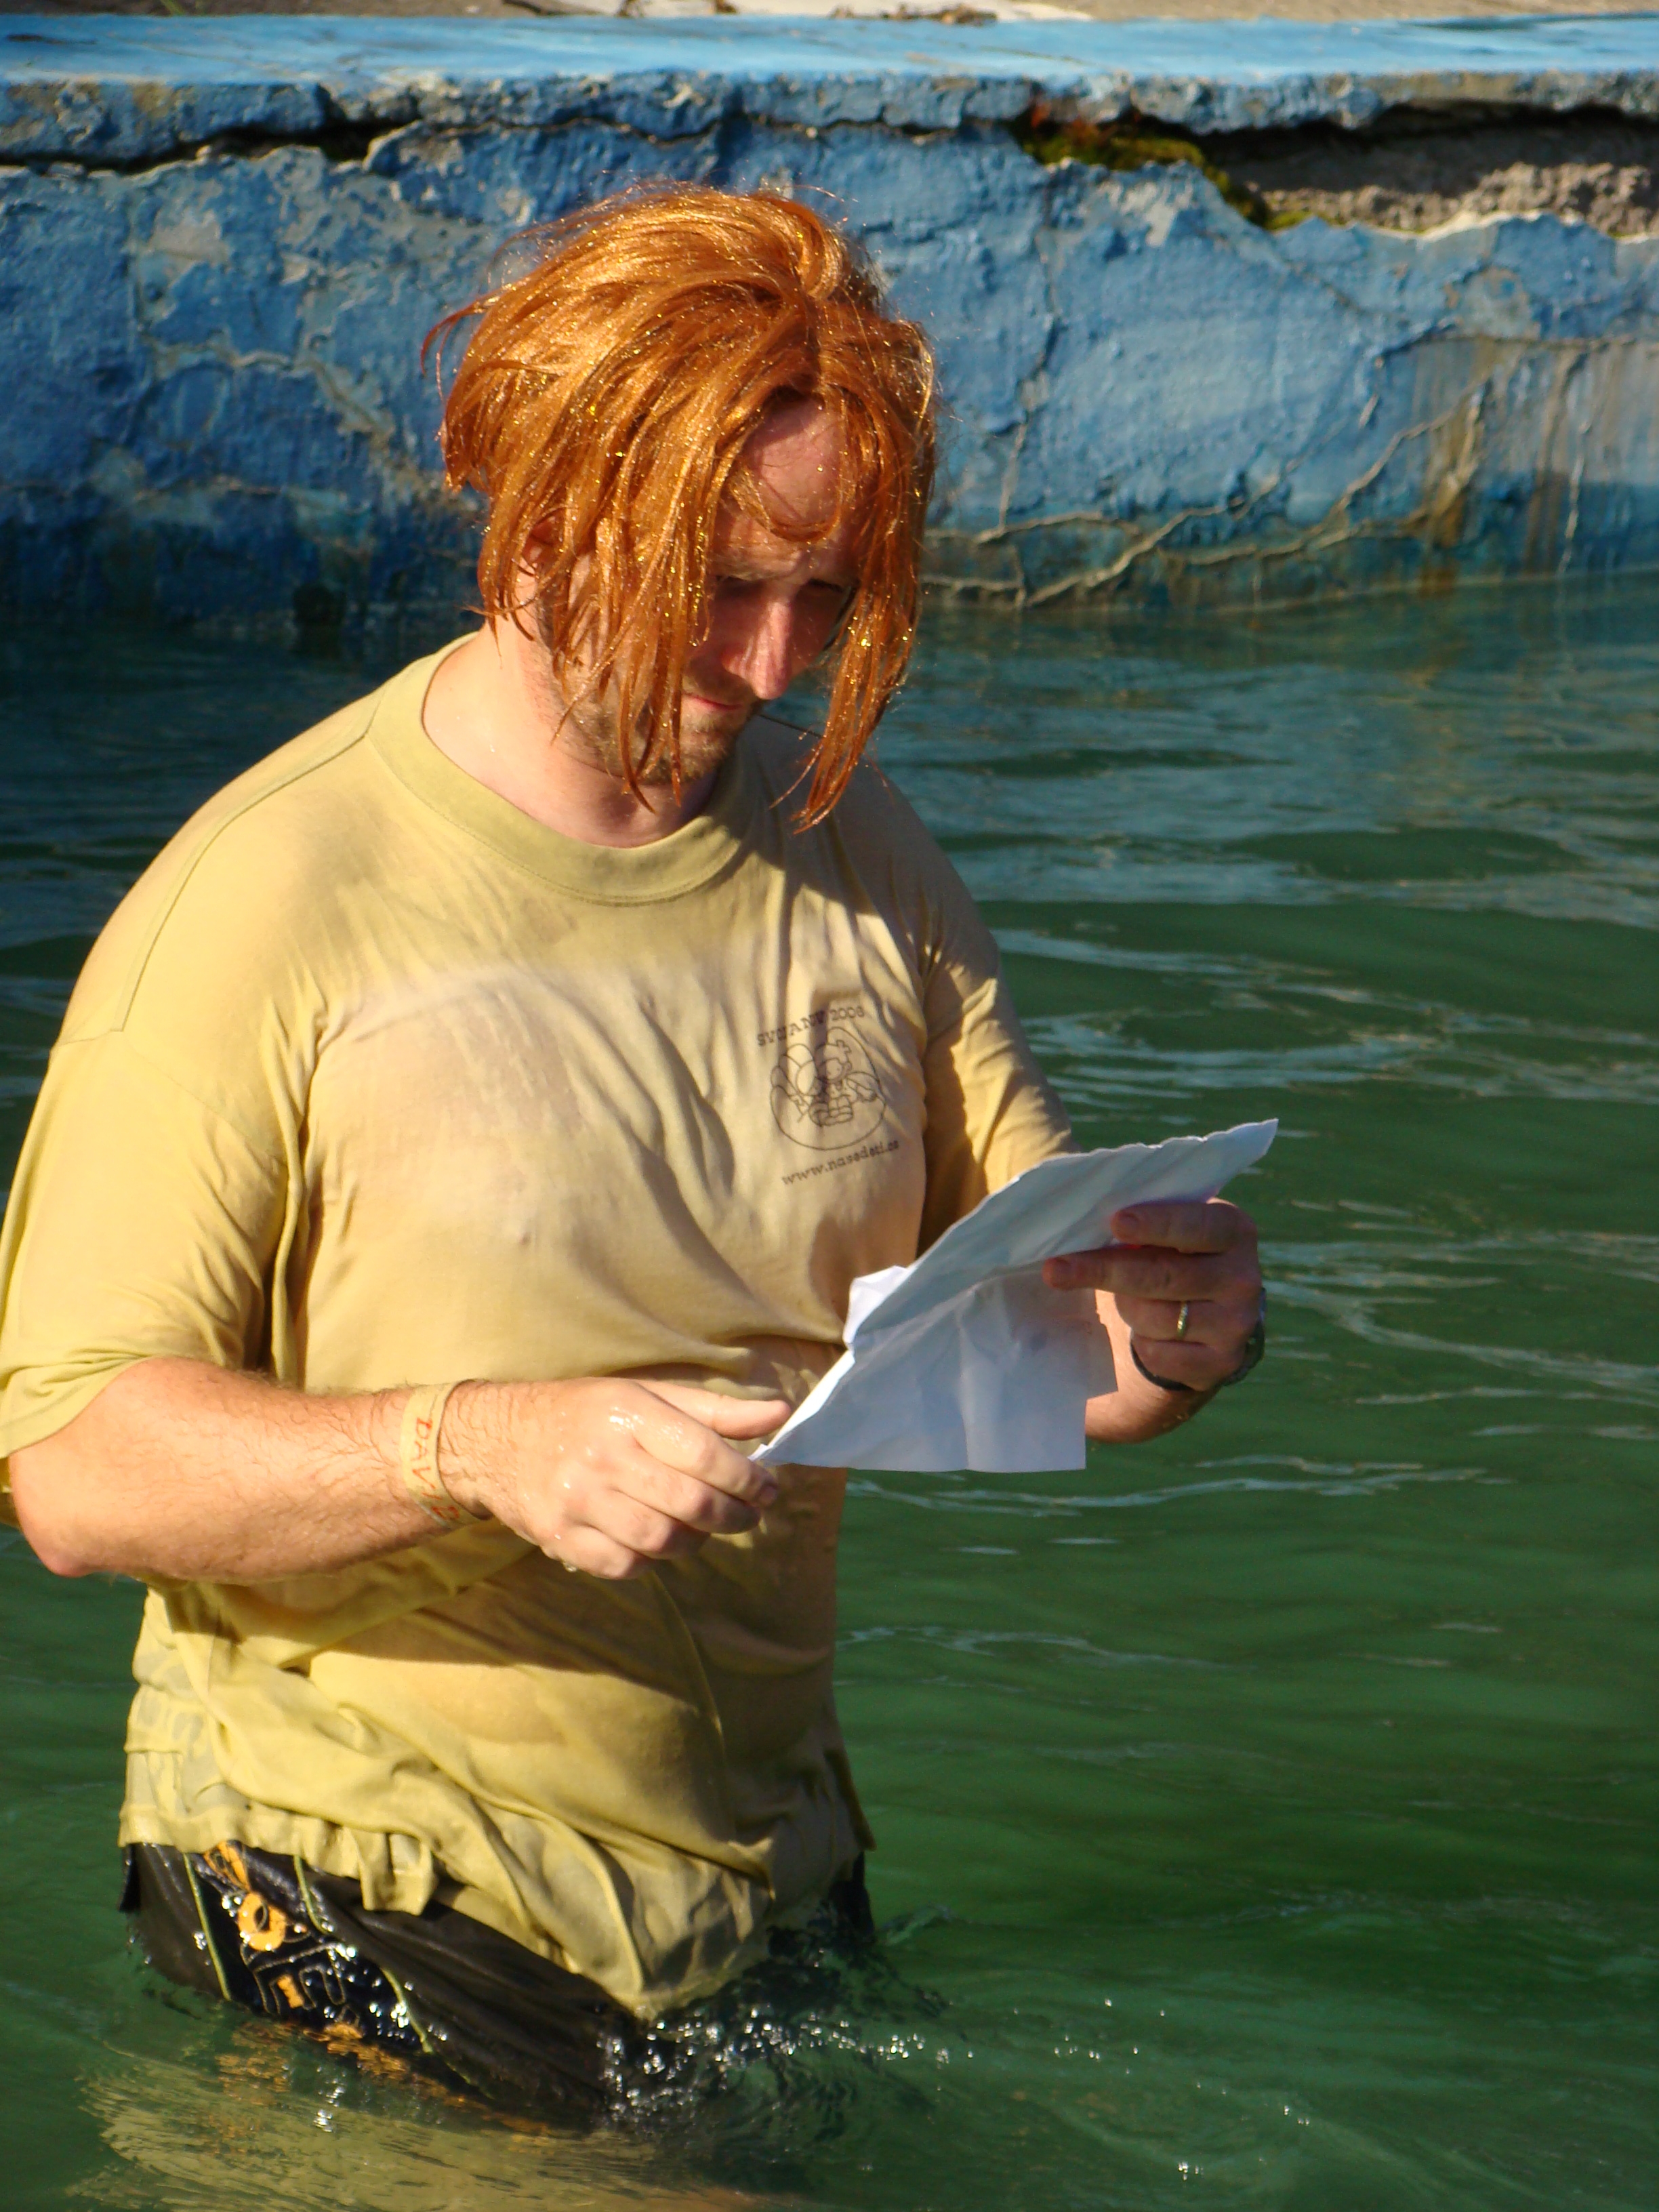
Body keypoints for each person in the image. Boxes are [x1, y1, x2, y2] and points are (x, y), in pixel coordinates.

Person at [0, 188, 1265, 2115]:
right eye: (724, 582)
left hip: (761, 1873)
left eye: (828, 597)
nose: (772, 664)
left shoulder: (856, 848)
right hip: (356, 1872)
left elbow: (1028, 1345)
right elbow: (76, 1470)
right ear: (546, 502)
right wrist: (471, 1445)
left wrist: (1172, 1333)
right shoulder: (266, 901)